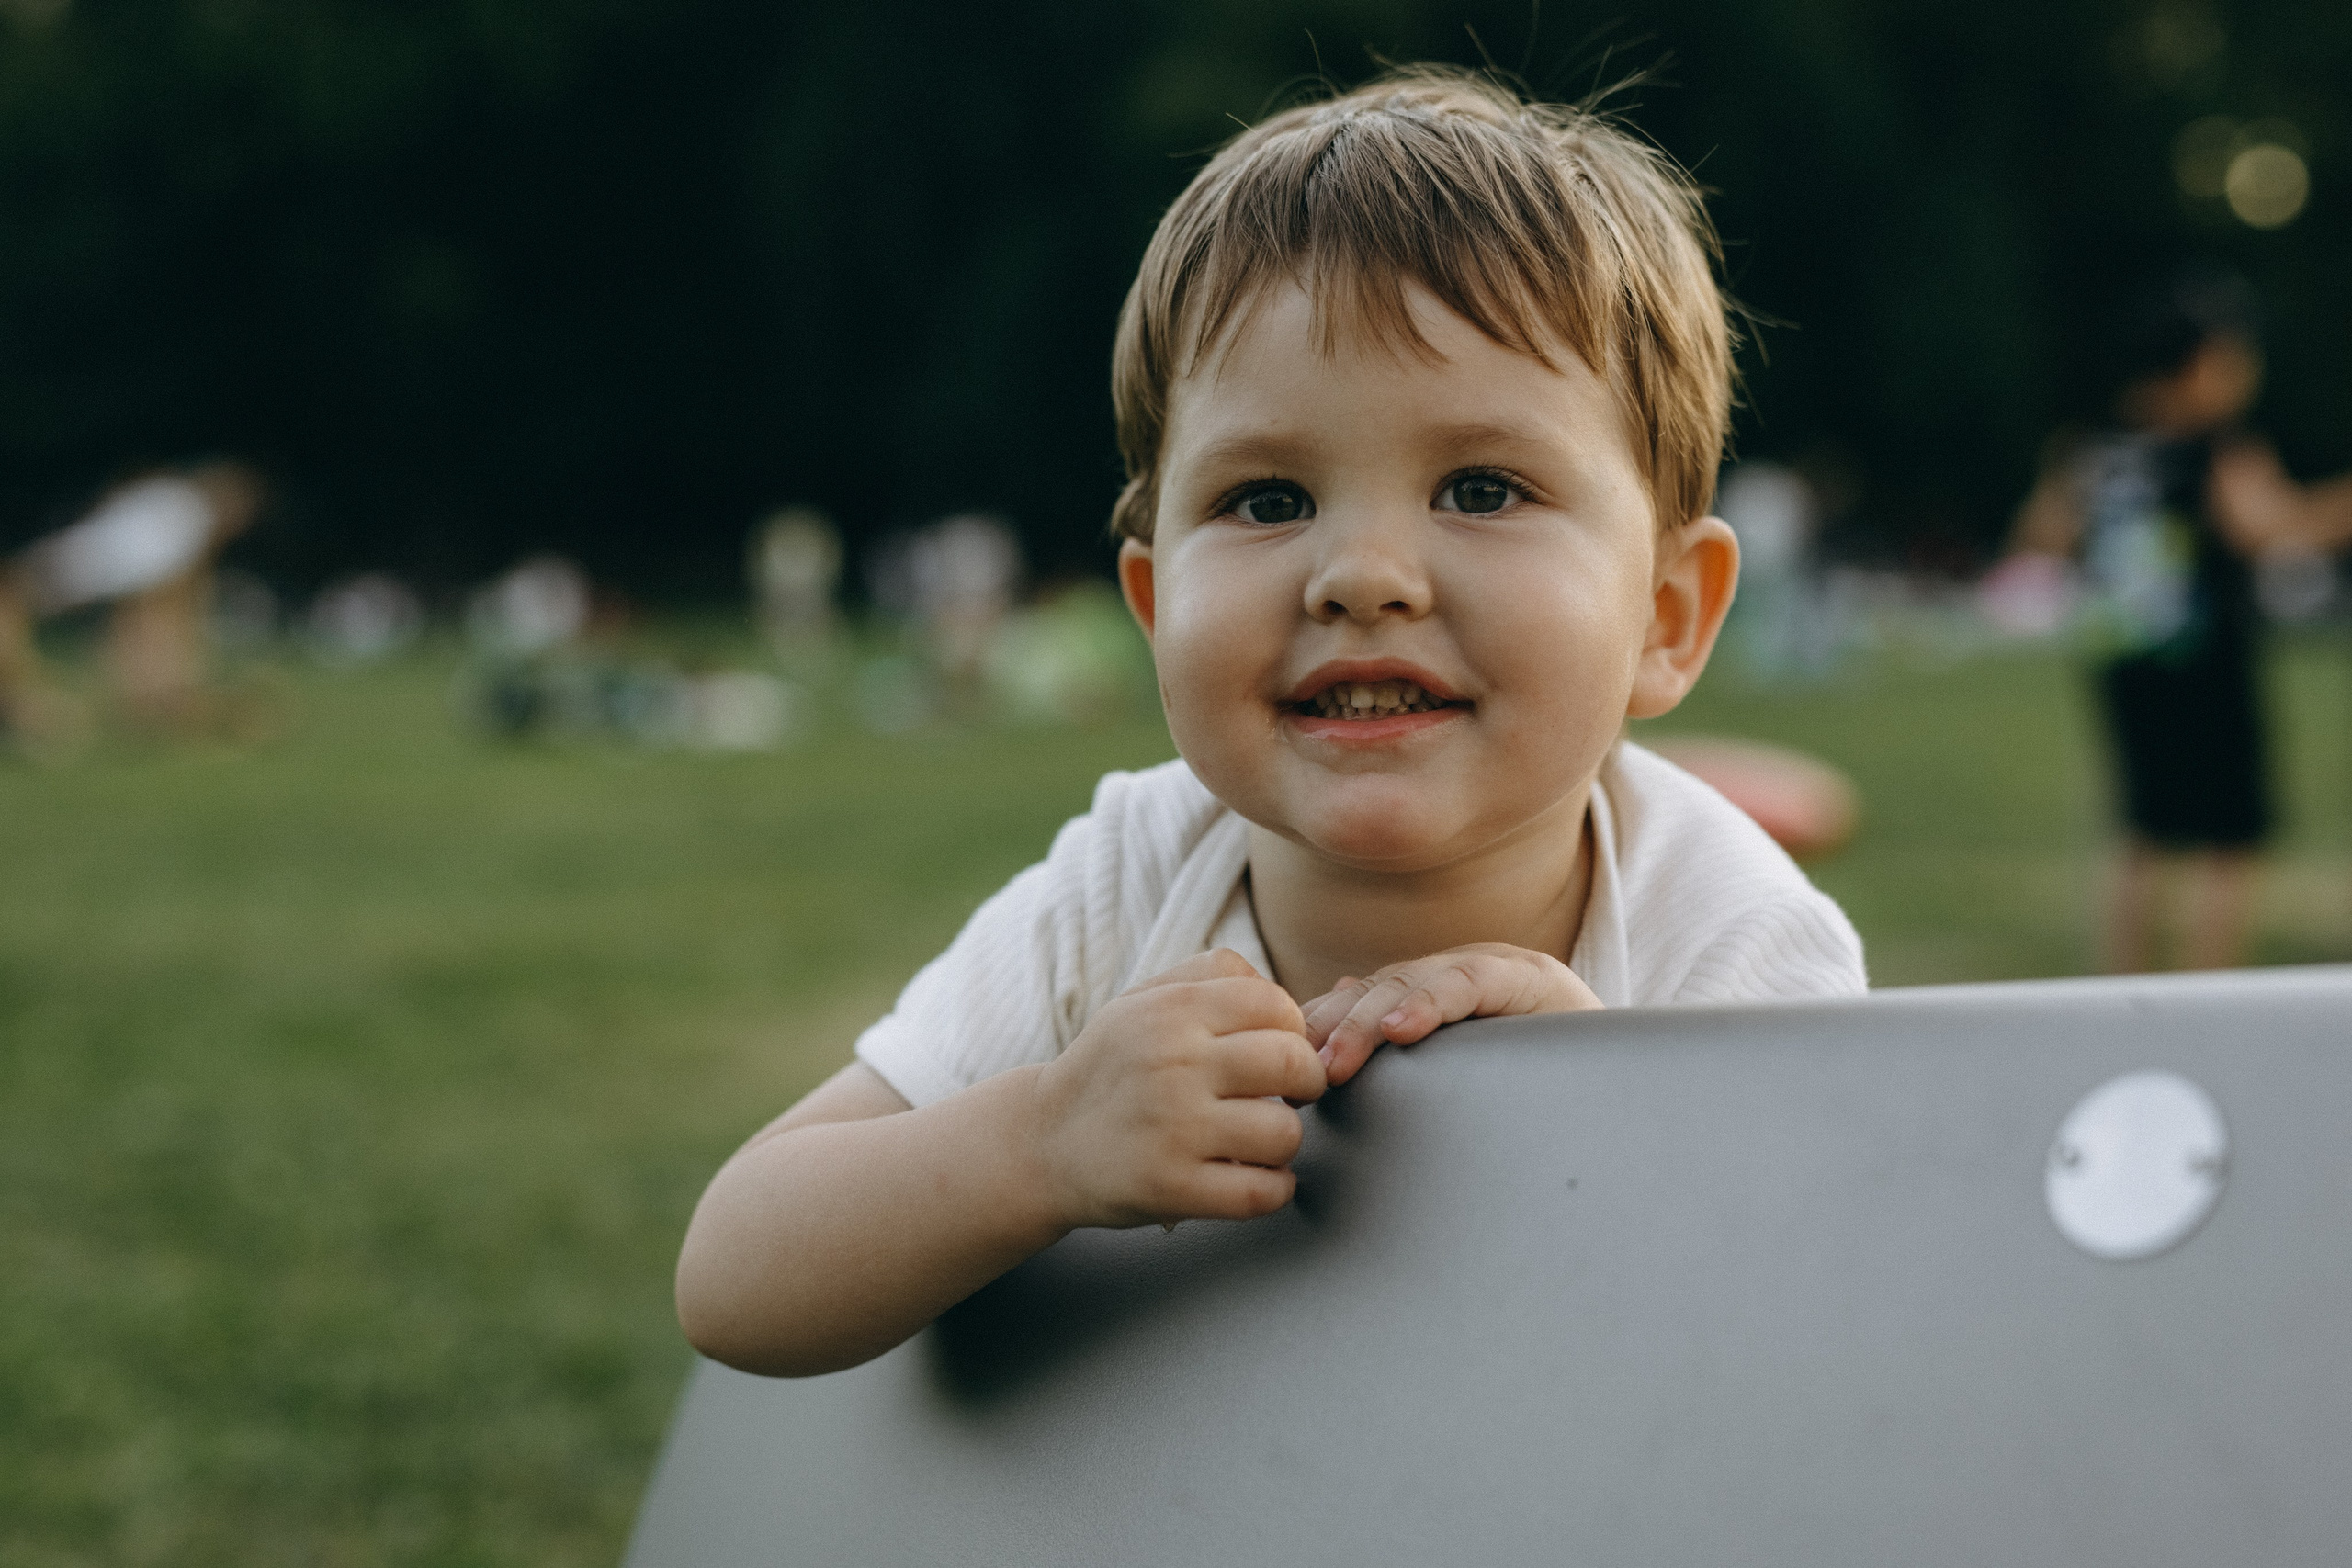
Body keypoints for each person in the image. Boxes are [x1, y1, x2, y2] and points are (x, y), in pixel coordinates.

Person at [676, 69, 1867, 1378]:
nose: (1362, 572)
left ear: (1667, 614)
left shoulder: (1731, 933)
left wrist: (1594, 1110)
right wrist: (1037, 1138)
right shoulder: (1125, 884)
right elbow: (734, 1274)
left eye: (1480, 487)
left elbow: (1825, 1365)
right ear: (1152, 603)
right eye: (1265, 499)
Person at [2008, 271, 2352, 972]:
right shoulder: (2219, 449)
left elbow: (2041, 536)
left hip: (2125, 657)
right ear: (2198, 365)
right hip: (2207, 657)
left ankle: (2123, 979)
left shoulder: (2094, 451)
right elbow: (2265, 529)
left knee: (2143, 822)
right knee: (2228, 832)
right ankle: (2207, 981)